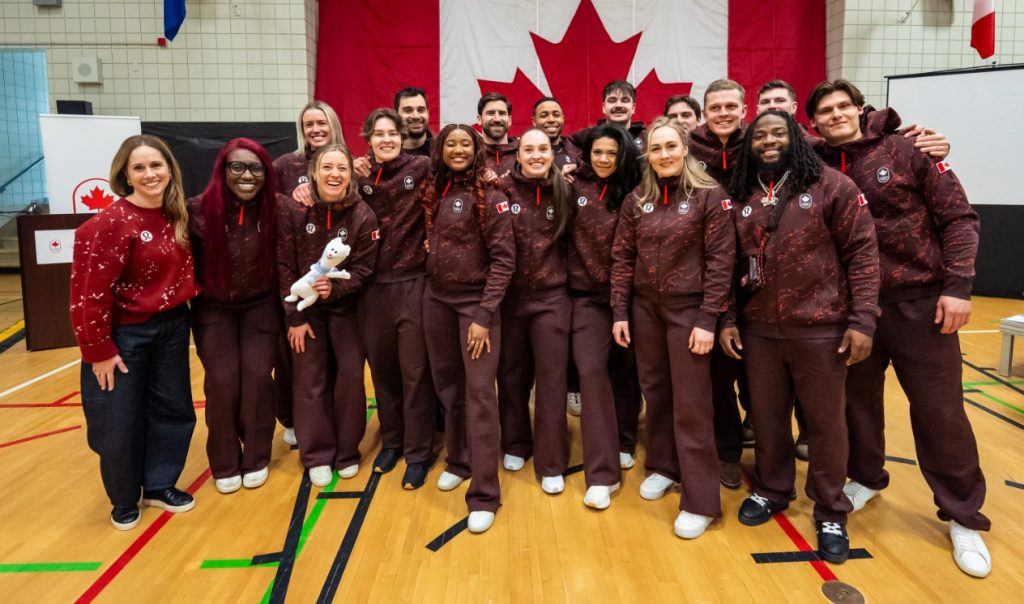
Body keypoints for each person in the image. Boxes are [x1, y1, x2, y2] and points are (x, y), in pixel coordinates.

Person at [807, 79, 990, 578]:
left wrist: (958, 287)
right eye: (826, 110)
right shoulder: (813, 164)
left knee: (940, 412)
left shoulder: (908, 149)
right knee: (857, 405)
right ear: (815, 123)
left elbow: (959, 218)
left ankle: (962, 514)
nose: (837, 115)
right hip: (852, 310)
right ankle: (865, 478)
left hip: (920, 302)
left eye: (845, 106)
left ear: (860, 110)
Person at [721, 109, 880, 563]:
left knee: (826, 424)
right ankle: (772, 488)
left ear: (796, 137)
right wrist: (730, 318)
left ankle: (831, 508)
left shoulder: (833, 186)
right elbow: (731, 266)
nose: (768, 141)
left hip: (821, 328)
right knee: (768, 418)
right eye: (759, 136)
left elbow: (863, 255)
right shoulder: (744, 194)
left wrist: (863, 320)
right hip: (759, 331)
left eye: (778, 133)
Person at [610, 117, 735, 539]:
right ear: (647, 155)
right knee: (656, 393)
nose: (664, 154)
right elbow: (622, 259)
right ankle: (664, 465)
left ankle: (701, 500)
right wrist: (619, 311)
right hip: (646, 309)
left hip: (689, 312)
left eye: (671, 146)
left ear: (685, 149)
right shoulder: (637, 200)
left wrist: (707, 319)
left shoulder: (709, 196)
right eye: (656, 148)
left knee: (692, 403)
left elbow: (721, 263)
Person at [70, 134, 200, 530]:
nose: (149, 174)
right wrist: (98, 349)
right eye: (139, 167)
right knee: (118, 421)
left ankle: (160, 483)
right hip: (125, 336)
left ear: (169, 170)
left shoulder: (177, 215)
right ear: (125, 175)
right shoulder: (110, 223)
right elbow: (87, 292)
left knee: (172, 409)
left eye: (156, 165)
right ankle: (124, 498)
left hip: (172, 327)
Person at [421, 124, 516, 533]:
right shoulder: (434, 190)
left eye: (465, 144)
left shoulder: (491, 195)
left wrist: (483, 316)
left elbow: (504, 261)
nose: (457, 150)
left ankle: (484, 494)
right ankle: (459, 461)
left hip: (475, 307)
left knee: (479, 395)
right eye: (450, 144)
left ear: (476, 150)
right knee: (449, 388)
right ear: (440, 150)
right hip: (436, 301)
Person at [276, 144, 378, 488]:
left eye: (342, 169)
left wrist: (335, 291)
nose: (335, 174)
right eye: (328, 168)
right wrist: (294, 316)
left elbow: (364, 270)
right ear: (314, 173)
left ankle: (347, 451)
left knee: (350, 378)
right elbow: (284, 266)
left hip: (347, 311)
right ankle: (317, 454)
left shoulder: (362, 214)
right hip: (306, 316)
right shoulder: (295, 210)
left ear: (351, 175)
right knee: (310, 380)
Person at [187, 138, 279, 495]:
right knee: (223, 381)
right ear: (223, 170)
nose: (246, 175)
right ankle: (225, 461)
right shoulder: (197, 209)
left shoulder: (277, 208)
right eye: (237, 167)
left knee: (257, 378)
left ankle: (256, 456)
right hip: (214, 310)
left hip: (261, 306)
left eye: (256, 168)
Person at [355, 108, 437, 489]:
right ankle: (393, 441)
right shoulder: (358, 178)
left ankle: (419, 451)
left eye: (392, 133)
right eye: (378, 133)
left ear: (402, 137)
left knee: (415, 373)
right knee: (382, 371)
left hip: (413, 283)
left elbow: (464, 168)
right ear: (368, 138)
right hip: (371, 290)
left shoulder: (421, 168)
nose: (386, 139)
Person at [569, 123, 644, 509]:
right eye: (596, 152)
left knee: (626, 373)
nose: (602, 160)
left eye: (611, 154)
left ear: (623, 156)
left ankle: (626, 441)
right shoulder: (572, 186)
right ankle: (602, 475)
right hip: (586, 299)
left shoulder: (637, 191)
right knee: (592, 372)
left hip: (633, 299)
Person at [497, 128, 572, 494]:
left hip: (552, 298)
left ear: (552, 152)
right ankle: (515, 443)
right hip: (510, 299)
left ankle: (551, 460)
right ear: (518, 154)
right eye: (530, 149)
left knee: (552, 380)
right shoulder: (501, 189)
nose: (537, 154)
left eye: (543, 148)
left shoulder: (566, 189)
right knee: (511, 374)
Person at [272, 100, 345, 447]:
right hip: (298, 279)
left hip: (338, 284)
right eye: (308, 125)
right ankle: (293, 420)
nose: (315, 129)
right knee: (296, 361)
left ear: (333, 125)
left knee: (336, 362)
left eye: (321, 123)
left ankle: (330, 422)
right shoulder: (286, 166)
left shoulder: (349, 163)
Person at [568, 80, 647, 155]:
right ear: (604, 107)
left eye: (624, 100)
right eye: (612, 100)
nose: (618, 105)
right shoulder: (590, 134)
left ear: (633, 108)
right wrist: (580, 164)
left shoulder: (646, 137)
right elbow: (567, 142)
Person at [477, 92, 518, 177]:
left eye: (502, 113)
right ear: (479, 119)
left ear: (509, 120)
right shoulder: (471, 154)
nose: (497, 119)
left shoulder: (524, 152)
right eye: (490, 113)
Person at [532, 96, 581, 168]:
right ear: (534, 122)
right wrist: (556, 178)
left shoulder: (577, 152)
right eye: (544, 116)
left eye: (556, 115)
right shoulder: (524, 152)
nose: (551, 120)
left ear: (563, 119)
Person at [394, 86, 433, 156]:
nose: (416, 116)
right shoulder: (382, 155)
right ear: (395, 115)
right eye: (408, 110)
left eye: (420, 110)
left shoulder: (443, 152)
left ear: (428, 114)